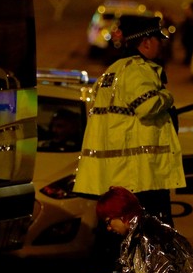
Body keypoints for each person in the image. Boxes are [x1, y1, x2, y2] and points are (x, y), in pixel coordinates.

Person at [73, 14, 186, 226]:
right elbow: (147, 106)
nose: (161, 44)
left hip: (119, 177)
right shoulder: (138, 70)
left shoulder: (112, 71)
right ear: (146, 42)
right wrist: (167, 96)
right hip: (142, 177)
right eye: (158, 39)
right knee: (149, 239)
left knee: (121, 239)